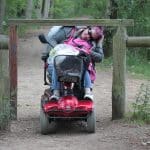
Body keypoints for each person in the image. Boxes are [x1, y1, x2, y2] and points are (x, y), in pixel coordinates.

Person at [49, 26, 104, 101]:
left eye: (90, 37)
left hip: (79, 66)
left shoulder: (90, 44)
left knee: (85, 68)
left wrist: (87, 51)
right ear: (87, 28)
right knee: (56, 66)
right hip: (65, 62)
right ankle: (56, 92)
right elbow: (55, 41)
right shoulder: (71, 34)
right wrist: (57, 49)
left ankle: (88, 91)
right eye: (89, 33)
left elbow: (99, 57)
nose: (87, 36)